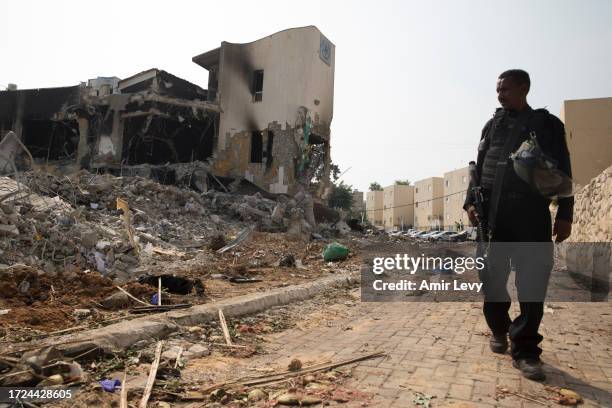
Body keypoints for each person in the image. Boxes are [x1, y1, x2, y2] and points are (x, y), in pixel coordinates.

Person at [463, 69, 573, 381]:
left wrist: (566, 213)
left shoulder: (547, 125)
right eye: (498, 90)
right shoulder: (491, 126)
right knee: (491, 280)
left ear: (524, 88)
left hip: (531, 216)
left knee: (532, 284)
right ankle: (500, 328)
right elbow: (480, 167)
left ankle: (525, 349)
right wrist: (471, 203)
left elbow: (564, 171)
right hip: (493, 218)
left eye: (506, 89)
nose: (500, 95)